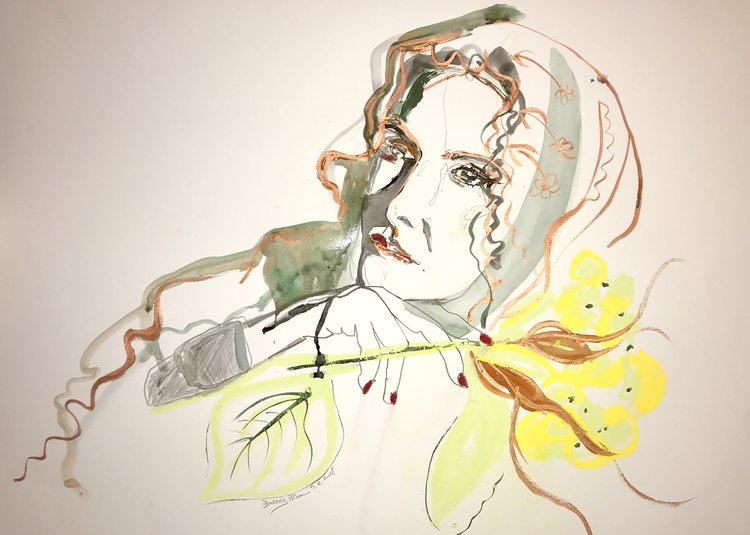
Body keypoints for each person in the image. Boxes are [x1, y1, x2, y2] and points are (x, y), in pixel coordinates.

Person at [18, 5, 674, 534]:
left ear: (541, 211)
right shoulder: (294, 295)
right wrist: (278, 335)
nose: (398, 201)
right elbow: (99, 469)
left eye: (472, 176)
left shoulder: (504, 426)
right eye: (397, 152)